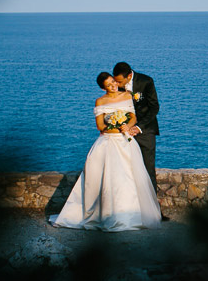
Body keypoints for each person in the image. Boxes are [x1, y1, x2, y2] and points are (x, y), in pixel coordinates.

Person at [49, 72, 161, 231]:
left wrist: (127, 125)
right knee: (100, 177)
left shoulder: (127, 96)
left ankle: (128, 216)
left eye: (114, 82)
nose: (113, 86)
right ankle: (101, 214)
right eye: (109, 85)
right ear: (103, 88)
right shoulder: (100, 101)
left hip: (124, 141)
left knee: (127, 178)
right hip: (107, 142)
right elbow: (100, 126)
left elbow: (133, 117)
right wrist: (114, 125)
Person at [111, 62, 159, 191]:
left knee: (148, 171)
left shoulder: (146, 81)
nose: (118, 85)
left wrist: (138, 127)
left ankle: (153, 208)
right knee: (125, 170)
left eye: (120, 82)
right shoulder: (114, 85)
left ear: (130, 75)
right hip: (123, 133)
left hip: (146, 131)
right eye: (116, 81)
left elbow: (154, 107)